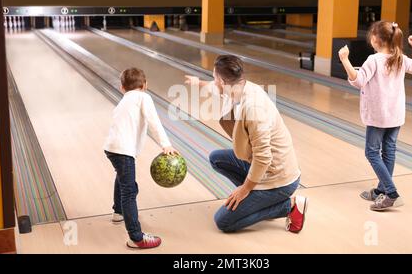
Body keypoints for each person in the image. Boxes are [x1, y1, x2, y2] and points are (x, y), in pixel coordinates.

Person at [185, 55, 308, 233]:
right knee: (216, 159)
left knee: (223, 222)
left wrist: (244, 189)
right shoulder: (237, 88)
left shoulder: (253, 108)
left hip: (279, 178)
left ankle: (288, 206)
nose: (214, 81)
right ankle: (254, 200)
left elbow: (263, 158)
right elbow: (214, 87)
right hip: (263, 167)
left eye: (214, 77)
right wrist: (198, 83)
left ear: (221, 80)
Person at [338, 21, 412, 211]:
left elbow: (359, 80)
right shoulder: (399, 57)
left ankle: (391, 193)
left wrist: (345, 59)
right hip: (395, 115)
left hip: (378, 116)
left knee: (371, 152)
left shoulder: (374, 60)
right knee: (389, 151)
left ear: (376, 40)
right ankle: (381, 190)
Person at [104, 68, 178, 249]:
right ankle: (136, 237)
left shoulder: (124, 100)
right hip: (123, 151)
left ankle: (118, 212)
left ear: (122, 87)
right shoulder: (144, 97)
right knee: (129, 191)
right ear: (145, 85)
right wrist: (165, 144)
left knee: (121, 178)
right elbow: (154, 121)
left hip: (112, 148)